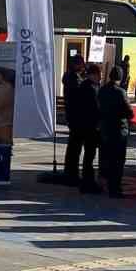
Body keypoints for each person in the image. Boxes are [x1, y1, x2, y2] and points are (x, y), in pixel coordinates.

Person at [97, 68, 134, 198]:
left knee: (106, 158)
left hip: (105, 128)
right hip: (119, 130)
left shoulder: (102, 90)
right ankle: (115, 188)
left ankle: (104, 183)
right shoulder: (121, 92)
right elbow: (130, 112)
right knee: (118, 161)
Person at [70, 64, 103, 193]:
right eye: (98, 74)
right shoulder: (90, 88)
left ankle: (86, 181)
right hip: (90, 127)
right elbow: (95, 108)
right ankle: (88, 182)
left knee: (88, 155)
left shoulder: (85, 86)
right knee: (89, 155)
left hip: (84, 126)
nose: (100, 77)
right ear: (92, 75)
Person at [61, 55, 86, 185]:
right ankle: (72, 173)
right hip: (76, 116)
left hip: (72, 115)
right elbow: (79, 97)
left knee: (73, 145)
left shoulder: (70, 77)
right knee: (75, 146)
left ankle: (70, 171)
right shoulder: (74, 79)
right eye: (82, 64)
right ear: (77, 65)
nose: (83, 67)